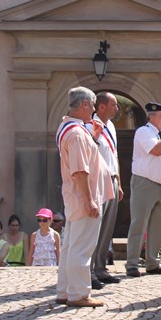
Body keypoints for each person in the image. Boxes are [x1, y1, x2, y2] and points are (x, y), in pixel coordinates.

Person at [55, 86, 114, 308]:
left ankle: (66, 290)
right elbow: (80, 170)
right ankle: (79, 293)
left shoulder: (69, 128)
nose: (93, 113)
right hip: (83, 197)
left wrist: (95, 137)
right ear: (85, 105)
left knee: (71, 245)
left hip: (74, 196)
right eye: (91, 106)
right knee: (81, 246)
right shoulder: (78, 133)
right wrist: (90, 199)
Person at [126, 101, 161, 277]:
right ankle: (132, 264)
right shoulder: (144, 132)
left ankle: (153, 262)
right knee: (139, 224)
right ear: (151, 117)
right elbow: (157, 150)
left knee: (158, 226)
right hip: (145, 183)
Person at [87, 92, 124, 289]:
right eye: (114, 105)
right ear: (101, 107)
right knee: (96, 227)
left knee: (108, 227)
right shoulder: (91, 125)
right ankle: (90, 270)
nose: (117, 109)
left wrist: (119, 181)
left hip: (111, 178)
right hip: (98, 179)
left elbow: (113, 155)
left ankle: (101, 268)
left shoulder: (110, 126)